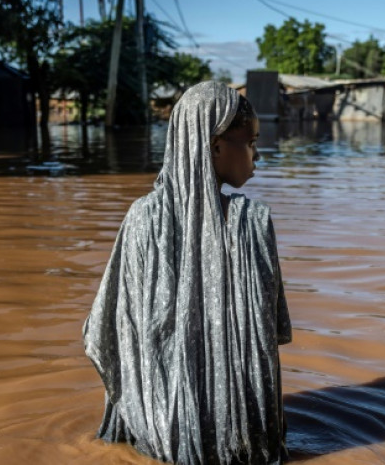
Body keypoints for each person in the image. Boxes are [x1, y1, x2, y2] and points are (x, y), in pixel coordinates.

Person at [83, 80, 291, 464]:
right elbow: (270, 334)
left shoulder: (142, 219)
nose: (258, 155)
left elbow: (110, 330)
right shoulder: (251, 221)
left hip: (156, 433)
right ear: (214, 147)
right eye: (251, 143)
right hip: (242, 438)